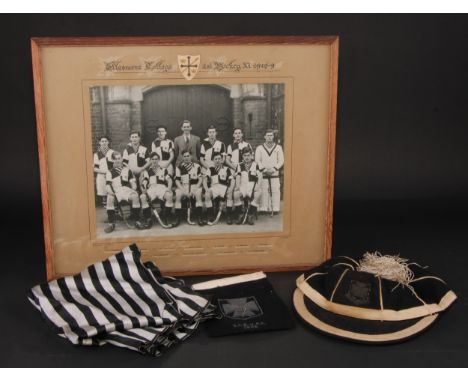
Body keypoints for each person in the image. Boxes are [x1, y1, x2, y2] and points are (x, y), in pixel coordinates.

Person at [104, 151, 141, 233]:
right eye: (115, 159)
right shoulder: (109, 172)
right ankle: (111, 224)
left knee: (135, 196)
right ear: (113, 160)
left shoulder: (127, 170)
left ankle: (137, 221)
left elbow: (133, 183)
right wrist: (112, 193)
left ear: (121, 159)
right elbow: (107, 186)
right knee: (109, 198)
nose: (118, 160)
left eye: (119, 158)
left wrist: (133, 189)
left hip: (126, 190)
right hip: (116, 191)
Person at [138, 152, 174, 229]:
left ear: (159, 160)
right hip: (151, 188)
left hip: (161, 187)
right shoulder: (147, 171)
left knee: (169, 195)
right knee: (143, 197)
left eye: (156, 159)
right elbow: (144, 181)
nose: (154, 161)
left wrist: (169, 188)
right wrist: (144, 188)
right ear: (150, 160)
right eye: (153, 159)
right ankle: (148, 220)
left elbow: (169, 180)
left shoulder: (164, 170)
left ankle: (166, 218)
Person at [255, 130, 284, 214]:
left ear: (273, 136)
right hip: (263, 173)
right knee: (263, 190)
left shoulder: (278, 147)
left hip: (274, 173)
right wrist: (264, 169)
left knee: (275, 189)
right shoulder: (259, 148)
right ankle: (263, 207)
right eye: (267, 135)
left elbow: (281, 160)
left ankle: (275, 208)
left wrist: (274, 169)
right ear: (264, 137)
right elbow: (257, 160)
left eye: (271, 135)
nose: (269, 137)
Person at [203, 152, 235, 225]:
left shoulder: (226, 169)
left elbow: (232, 180)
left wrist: (230, 188)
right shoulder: (210, 169)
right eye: (215, 159)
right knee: (207, 194)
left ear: (221, 160)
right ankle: (210, 215)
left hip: (224, 188)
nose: (217, 160)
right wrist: (207, 189)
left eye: (219, 159)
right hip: (214, 188)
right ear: (213, 160)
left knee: (230, 195)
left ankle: (229, 216)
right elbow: (204, 180)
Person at [174, 150, 204, 226]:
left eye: (188, 156)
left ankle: (199, 217)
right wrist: (183, 190)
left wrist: (195, 188)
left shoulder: (197, 166)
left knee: (198, 194)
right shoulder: (179, 167)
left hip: (194, 186)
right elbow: (177, 181)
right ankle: (177, 218)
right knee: (177, 194)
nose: (186, 158)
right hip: (184, 186)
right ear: (182, 157)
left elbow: (200, 179)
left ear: (191, 156)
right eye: (184, 156)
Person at [233, 147, 263, 225]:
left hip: (251, 186)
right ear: (242, 156)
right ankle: (240, 214)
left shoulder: (255, 165)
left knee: (258, 193)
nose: (247, 157)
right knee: (236, 194)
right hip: (243, 186)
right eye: (245, 155)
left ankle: (250, 214)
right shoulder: (239, 165)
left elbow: (260, 176)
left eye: (248, 155)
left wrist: (258, 186)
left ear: (251, 155)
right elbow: (238, 176)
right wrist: (237, 186)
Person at [93, 136, 115, 207]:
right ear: (99, 143)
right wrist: (104, 172)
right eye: (102, 141)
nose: (104, 143)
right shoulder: (96, 154)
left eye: (105, 141)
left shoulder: (112, 152)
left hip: (111, 174)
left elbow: (116, 164)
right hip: (101, 175)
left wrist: (110, 172)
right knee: (103, 191)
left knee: (112, 190)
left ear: (108, 142)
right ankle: (105, 205)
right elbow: (95, 168)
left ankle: (112, 205)